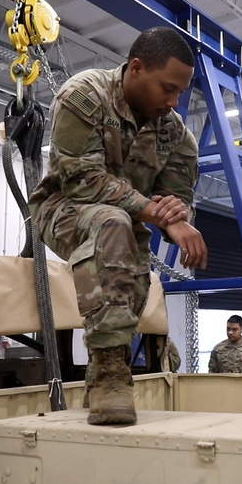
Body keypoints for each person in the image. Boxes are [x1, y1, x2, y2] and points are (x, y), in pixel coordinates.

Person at [29, 26, 207, 426]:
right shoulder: (85, 94)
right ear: (136, 68)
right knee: (111, 221)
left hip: (128, 228)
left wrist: (177, 220)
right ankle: (112, 376)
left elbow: (177, 200)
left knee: (130, 290)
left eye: (180, 92)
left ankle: (103, 370)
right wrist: (157, 213)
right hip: (64, 208)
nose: (174, 101)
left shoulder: (176, 135)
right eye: (167, 88)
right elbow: (82, 181)